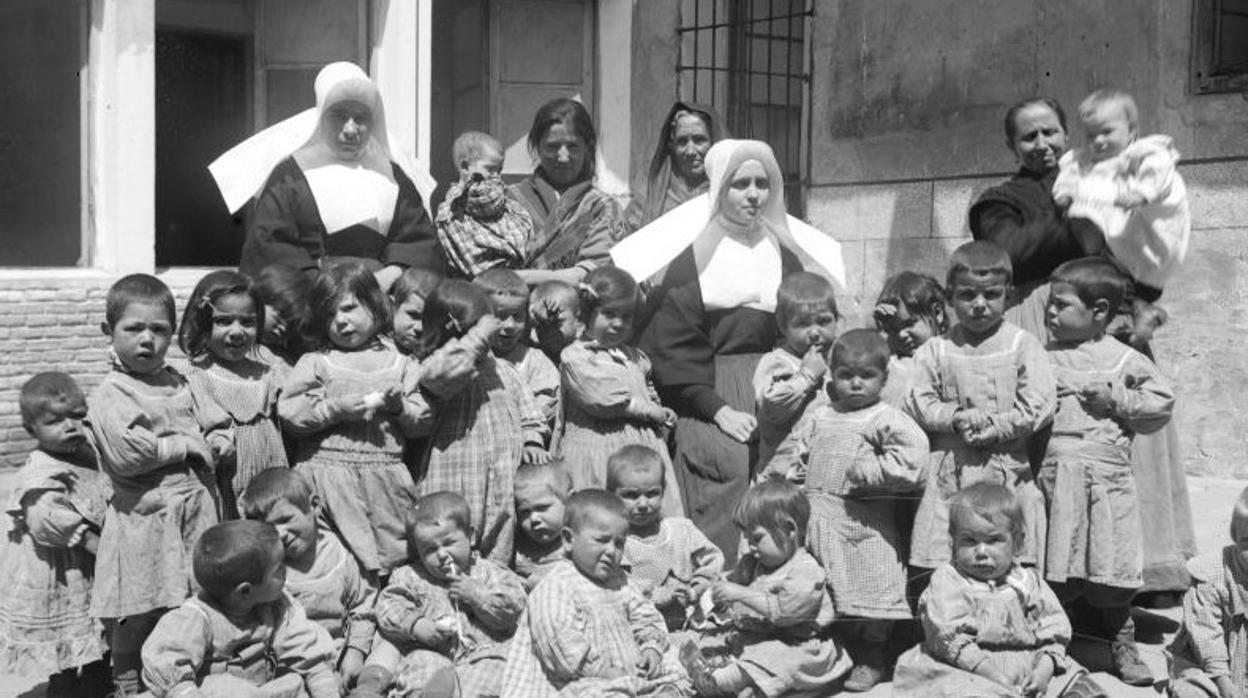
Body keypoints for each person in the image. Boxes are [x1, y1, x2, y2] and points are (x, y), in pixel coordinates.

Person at [970, 96, 1195, 596]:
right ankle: (1059, 570)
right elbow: (1009, 252)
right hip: (1042, 322)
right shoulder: (1000, 200)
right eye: (1028, 136)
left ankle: (1142, 567)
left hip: (1107, 321)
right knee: (1054, 445)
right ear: (1011, 144)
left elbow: (1136, 240)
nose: (1042, 144)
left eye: (1051, 132)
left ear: (1066, 133)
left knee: (1128, 432)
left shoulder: (1110, 171)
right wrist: (1080, 208)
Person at [612, 138, 846, 563]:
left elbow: (801, 321)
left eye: (762, 183)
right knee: (732, 465)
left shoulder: (782, 249)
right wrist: (718, 409)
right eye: (741, 184)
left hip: (779, 377)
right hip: (707, 386)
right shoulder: (693, 255)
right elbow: (675, 345)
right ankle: (716, 578)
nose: (754, 194)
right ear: (719, 188)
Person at [88, 274, 231, 695]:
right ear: (108, 332)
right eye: (134, 329)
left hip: (194, 511)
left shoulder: (179, 381)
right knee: (138, 607)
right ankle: (128, 682)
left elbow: (214, 420)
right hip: (142, 518)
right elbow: (128, 454)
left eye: (159, 330)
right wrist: (187, 444)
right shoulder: (111, 392)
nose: (147, 340)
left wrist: (220, 439)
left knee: (188, 600)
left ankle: (181, 672)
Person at [764, 330, 927, 690]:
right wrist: (793, 489)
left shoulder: (886, 418)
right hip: (819, 520)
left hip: (864, 524)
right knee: (827, 591)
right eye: (846, 375)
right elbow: (800, 457)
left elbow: (913, 459)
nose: (855, 384)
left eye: (866, 376)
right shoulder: (821, 416)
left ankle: (873, 657)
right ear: (831, 376)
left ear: (883, 379)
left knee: (869, 586)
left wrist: (869, 472)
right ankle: (832, 657)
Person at [1041, 257, 1174, 686]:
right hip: (1053, 480)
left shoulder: (1123, 360)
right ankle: (1051, 645)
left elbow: (1160, 404)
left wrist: (1117, 399)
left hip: (1106, 482)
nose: (1049, 313)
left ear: (1098, 312)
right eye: (1049, 304)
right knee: (1054, 562)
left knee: (1111, 563)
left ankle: (1122, 642)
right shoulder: (1040, 357)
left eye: (1061, 305)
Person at [905, 241, 1055, 573]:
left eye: (991, 295)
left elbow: (1040, 403)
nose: (979, 305)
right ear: (950, 296)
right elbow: (918, 399)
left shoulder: (1022, 345)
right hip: (950, 469)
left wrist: (998, 426)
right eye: (967, 295)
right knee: (945, 555)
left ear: (1009, 295)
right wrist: (954, 418)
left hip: (1003, 466)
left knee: (1004, 554)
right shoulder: (936, 349)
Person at [224, 61, 443, 288]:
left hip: (381, 295)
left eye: (361, 118)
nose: (350, 130)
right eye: (339, 116)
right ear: (321, 118)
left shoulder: (393, 176)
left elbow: (421, 245)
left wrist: (391, 274)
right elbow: (269, 246)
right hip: (309, 295)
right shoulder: (290, 176)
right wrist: (328, 286)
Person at [278, 263, 424, 576]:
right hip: (325, 477)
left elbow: (422, 420)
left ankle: (387, 616)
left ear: (374, 303)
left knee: (390, 559)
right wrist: (334, 409)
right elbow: (290, 412)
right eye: (329, 316)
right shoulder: (318, 361)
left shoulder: (401, 361)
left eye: (348, 309)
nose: (340, 322)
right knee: (330, 560)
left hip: (382, 479)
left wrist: (400, 408)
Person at [892, 483, 1088, 698]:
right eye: (969, 541)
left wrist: (1043, 672)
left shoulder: (1028, 581)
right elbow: (949, 638)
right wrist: (996, 676)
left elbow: (1053, 629)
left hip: (1028, 662)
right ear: (952, 542)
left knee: (1077, 684)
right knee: (961, 690)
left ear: (1018, 543)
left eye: (994, 540)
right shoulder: (949, 580)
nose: (982, 552)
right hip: (968, 666)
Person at [411, 280, 549, 565]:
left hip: (504, 475)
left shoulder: (506, 371)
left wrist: (533, 439)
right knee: (456, 530)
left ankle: (494, 578)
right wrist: (477, 335)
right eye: (484, 326)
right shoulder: (433, 367)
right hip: (458, 473)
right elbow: (447, 371)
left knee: (501, 532)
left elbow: (529, 413)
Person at [501, 490, 687, 697]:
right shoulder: (557, 586)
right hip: (574, 680)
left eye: (619, 543)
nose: (611, 551)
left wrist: (651, 648)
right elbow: (560, 646)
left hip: (629, 671)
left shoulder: (620, 581)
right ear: (569, 540)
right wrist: (601, 671)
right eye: (601, 540)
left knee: (677, 667)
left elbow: (646, 616)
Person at [679, 479, 852, 697]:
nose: (750, 545)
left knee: (778, 658)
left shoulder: (805, 570)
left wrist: (739, 592)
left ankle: (717, 682)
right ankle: (745, 684)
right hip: (761, 637)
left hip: (798, 644)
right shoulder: (754, 562)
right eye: (747, 537)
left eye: (757, 538)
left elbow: (785, 612)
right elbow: (728, 581)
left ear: (789, 530)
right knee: (730, 643)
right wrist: (709, 588)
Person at [0, 373, 110, 696]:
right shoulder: (41, 471)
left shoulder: (87, 453)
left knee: (96, 629)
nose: (71, 426)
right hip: (60, 569)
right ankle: (64, 685)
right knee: (68, 629)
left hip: (85, 563)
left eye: (78, 416)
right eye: (54, 421)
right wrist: (99, 546)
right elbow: (47, 522)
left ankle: (97, 678)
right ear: (31, 429)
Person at [1052, 89, 1189, 347]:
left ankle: (1135, 318)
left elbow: (1160, 172)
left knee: (1129, 279)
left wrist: (1142, 193)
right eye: (1091, 135)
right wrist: (1064, 194)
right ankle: (1144, 316)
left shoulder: (1141, 155)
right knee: (1117, 281)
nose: (1099, 141)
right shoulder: (1082, 160)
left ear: (1132, 130)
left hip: (1141, 234)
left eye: (1107, 132)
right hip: (1109, 241)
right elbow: (1068, 177)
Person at [140, 520, 338, 697]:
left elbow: (306, 649)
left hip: (263, 690)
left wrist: (327, 691)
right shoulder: (197, 617)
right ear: (245, 590)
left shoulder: (276, 606)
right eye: (278, 570)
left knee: (294, 683)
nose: (286, 572)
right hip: (211, 693)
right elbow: (168, 660)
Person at [240, 469, 380, 693]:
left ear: (313, 506)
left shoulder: (339, 554)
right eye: (268, 528)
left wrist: (356, 651)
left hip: (340, 657)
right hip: (288, 665)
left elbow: (363, 606)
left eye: (285, 520)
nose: (280, 533)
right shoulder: (267, 570)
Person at [556, 266, 681, 514]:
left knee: (648, 508)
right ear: (589, 312)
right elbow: (599, 396)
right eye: (609, 314)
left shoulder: (634, 356)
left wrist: (660, 409)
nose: (618, 323)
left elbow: (647, 389)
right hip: (600, 447)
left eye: (626, 317)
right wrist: (645, 409)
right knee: (606, 512)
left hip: (643, 447)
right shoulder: (577, 356)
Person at [376, 492, 527, 697]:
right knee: (420, 665)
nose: (441, 555)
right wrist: (415, 624)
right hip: (435, 655)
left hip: (483, 656)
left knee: (495, 671)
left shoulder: (489, 572)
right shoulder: (410, 576)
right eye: (429, 549)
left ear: (470, 536)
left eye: (449, 543)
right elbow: (387, 606)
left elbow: (514, 608)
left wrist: (478, 596)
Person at [180, 270, 289, 520]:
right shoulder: (191, 374)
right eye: (224, 321)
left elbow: (297, 403)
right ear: (202, 322)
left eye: (248, 322)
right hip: (223, 484)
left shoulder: (269, 370)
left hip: (270, 480)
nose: (237, 331)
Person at [507, 98, 630, 285]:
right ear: (537, 147)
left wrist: (522, 277)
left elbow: (595, 273)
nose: (563, 157)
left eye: (572, 146)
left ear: (587, 148)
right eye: (552, 146)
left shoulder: (602, 208)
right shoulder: (510, 201)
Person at [609, 445, 724, 632]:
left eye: (652, 493)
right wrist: (656, 595)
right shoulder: (618, 543)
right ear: (612, 495)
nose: (643, 504)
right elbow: (618, 586)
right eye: (631, 495)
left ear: (663, 490)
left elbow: (713, 559)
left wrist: (697, 587)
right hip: (645, 628)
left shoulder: (681, 529)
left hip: (691, 623)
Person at [1168, 486, 1248, 698]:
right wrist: (1223, 681)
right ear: (1235, 535)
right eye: (1247, 542)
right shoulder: (1212, 576)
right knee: (1193, 690)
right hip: (1205, 661)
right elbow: (1205, 632)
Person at [752, 271, 839, 467]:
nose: (815, 332)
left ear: (837, 319)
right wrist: (806, 377)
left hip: (825, 470)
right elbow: (771, 406)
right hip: (785, 477)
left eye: (824, 321)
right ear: (783, 327)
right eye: (802, 324)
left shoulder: (836, 361)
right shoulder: (777, 362)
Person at [437, 131, 533, 279]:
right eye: (490, 169)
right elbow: (472, 256)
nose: (496, 176)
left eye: (499, 170)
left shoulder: (509, 207)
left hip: (519, 271)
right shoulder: (454, 212)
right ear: (465, 167)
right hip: (484, 280)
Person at [476, 268, 561, 434]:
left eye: (517, 316)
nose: (509, 326)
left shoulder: (534, 361)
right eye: (499, 316)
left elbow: (547, 402)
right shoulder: (470, 357)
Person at [627, 101, 727, 229]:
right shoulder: (648, 199)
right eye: (682, 141)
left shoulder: (731, 195)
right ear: (672, 146)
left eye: (699, 140)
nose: (690, 151)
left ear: (714, 142)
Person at [873, 271, 948, 408]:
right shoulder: (891, 364)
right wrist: (878, 331)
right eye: (892, 329)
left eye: (909, 324)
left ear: (937, 314)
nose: (901, 334)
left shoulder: (949, 355)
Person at [512, 461, 573, 591]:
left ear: (570, 500)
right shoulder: (516, 549)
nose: (534, 519)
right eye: (524, 512)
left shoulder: (578, 547)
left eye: (542, 508)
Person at [252, 262, 313, 368]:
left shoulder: (283, 359)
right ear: (260, 299)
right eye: (279, 318)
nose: (283, 329)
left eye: (291, 328)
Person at [528, 280, 582, 366]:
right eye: (541, 324)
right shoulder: (538, 354)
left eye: (556, 323)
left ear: (578, 319)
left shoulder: (584, 351)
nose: (549, 331)